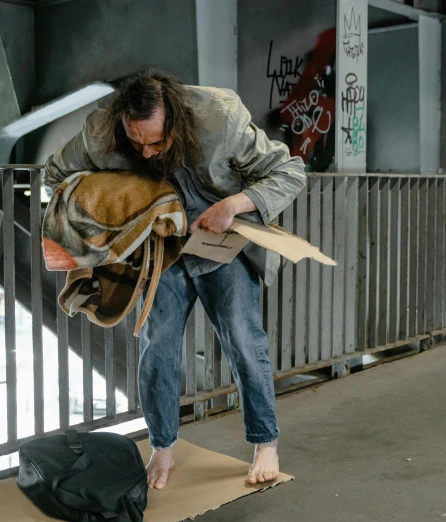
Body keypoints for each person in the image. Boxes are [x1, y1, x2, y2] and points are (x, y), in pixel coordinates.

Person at [43, 70, 306, 489]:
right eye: (136, 143)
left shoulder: (221, 116)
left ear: (176, 119)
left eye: (157, 142)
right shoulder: (100, 130)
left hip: (223, 242)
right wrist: (117, 199)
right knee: (157, 348)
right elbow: (56, 177)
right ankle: (162, 448)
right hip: (160, 250)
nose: (146, 153)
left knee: (242, 338)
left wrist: (235, 205)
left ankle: (265, 442)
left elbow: (290, 172)